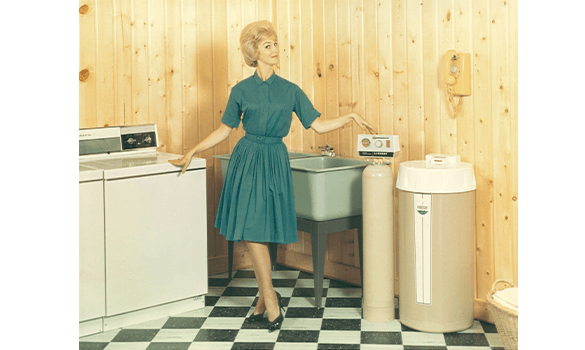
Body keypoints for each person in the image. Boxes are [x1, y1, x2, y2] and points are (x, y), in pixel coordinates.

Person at [169, 20, 376, 332]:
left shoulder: (290, 90)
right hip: (247, 158)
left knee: (263, 231)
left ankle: (266, 298)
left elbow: (317, 125)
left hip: (275, 160)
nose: (276, 50)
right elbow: (225, 130)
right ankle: (270, 298)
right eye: (268, 46)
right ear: (254, 52)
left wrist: (349, 116)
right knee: (252, 231)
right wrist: (192, 151)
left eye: (277, 44)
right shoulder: (240, 91)